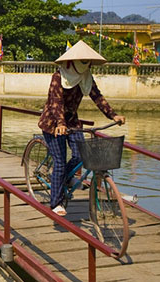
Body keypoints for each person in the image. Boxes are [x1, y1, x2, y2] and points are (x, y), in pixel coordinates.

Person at [37, 40, 125, 216]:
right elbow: (56, 102)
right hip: (53, 123)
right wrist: (60, 124)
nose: (86, 65)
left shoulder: (86, 78)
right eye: (82, 62)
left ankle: (63, 179)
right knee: (60, 162)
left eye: (88, 62)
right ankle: (56, 202)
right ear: (71, 62)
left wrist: (113, 115)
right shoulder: (59, 76)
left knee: (80, 156)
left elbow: (97, 97)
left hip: (72, 122)